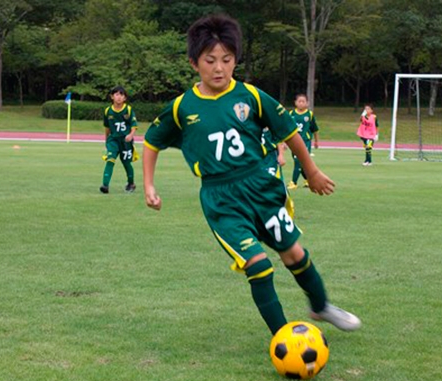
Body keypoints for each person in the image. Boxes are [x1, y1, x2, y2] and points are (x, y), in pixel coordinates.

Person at [142, 14, 361, 336]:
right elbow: (151, 142)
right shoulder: (182, 107)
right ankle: (284, 337)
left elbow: (288, 131)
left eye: (227, 60)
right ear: (194, 64)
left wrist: (311, 171)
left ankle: (321, 306)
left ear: (235, 61)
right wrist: (148, 184)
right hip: (221, 199)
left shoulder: (251, 96)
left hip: (261, 188)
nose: (219, 68)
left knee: (294, 254)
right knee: (258, 265)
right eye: (210, 60)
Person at [100, 86, 138, 194]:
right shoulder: (108, 111)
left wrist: (131, 135)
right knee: (110, 159)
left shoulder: (128, 109)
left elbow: (134, 125)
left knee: (126, 163)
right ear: (112, 97)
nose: (119, 97)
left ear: (125, 98)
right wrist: (107, 140)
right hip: (113, 140)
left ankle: (131, 183)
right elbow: (107, 127)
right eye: (116, 94)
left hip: (126, 141)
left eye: (121, 95)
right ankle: (105, 185)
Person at [286, 93, 319, 190]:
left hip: (305, 141)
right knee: (301, 163)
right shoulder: (291, 114)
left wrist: (316, 141)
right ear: (295, 103)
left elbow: (315, 129)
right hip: (293, 142)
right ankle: (308, 180)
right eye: (299, 101)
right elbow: (286, 128)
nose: (301, 103)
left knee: (298, 160)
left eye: (303, 101)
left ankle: (293, 182)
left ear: (307, 103)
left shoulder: (309, 114)